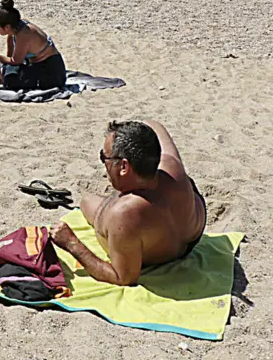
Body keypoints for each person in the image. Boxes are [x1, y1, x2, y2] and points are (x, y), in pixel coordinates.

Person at [51, 120, 208, 286]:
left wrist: (71, 243)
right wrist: (135, 132)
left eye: (104, 157)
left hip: (155, 257)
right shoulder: (171, 165)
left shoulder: (124, 213)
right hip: (190, 238)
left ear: (124, 166)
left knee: (86, 200)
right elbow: (155, 125)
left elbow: (123, 278)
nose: (104, 164)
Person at [0, 0, 66, 90]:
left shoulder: (24, 34)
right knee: (7, 71)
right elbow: (10, 57)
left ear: (7, 27)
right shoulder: (15, 29)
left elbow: (15, 61)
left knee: (11, 80)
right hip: (36, 65)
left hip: (50, 71)